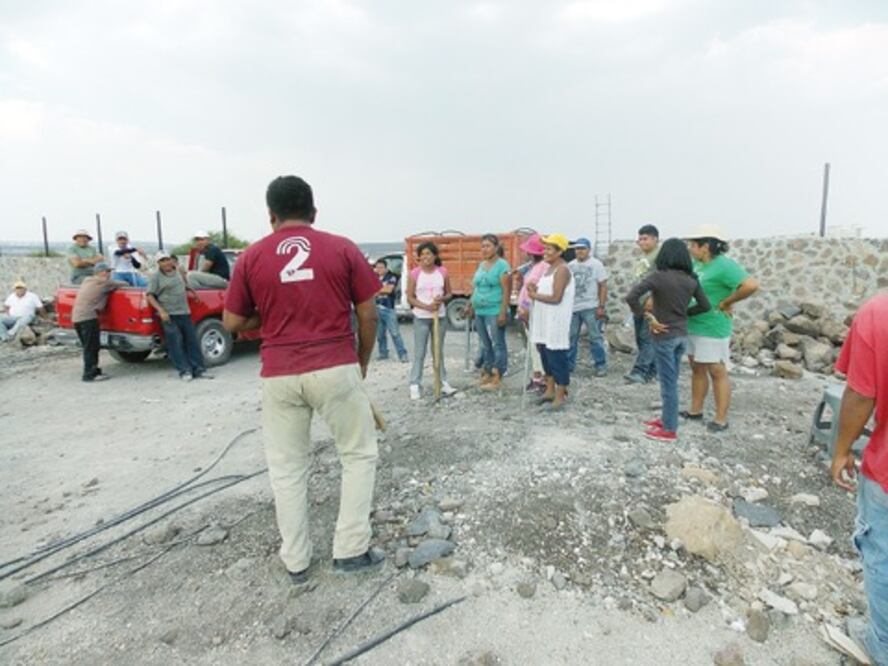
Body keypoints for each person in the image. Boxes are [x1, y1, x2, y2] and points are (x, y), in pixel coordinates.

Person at [223, 175, 384, 581]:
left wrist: (272, 317)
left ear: (271, 215)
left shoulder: (250, 257)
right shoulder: (342, 247)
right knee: (358, 454)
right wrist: (360, 359)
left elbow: (232, 321)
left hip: (279, 372)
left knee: (287, 467)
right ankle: (350, 550)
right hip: (334, 364)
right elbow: (368, 312)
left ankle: (296, 561)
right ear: (314, 212)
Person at [831, 293, 888, 666]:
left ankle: (881, 644)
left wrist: (841, 449)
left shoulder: (879, 312)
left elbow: (861, 393)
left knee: (882, 554)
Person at [625, 238, 711, 442]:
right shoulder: (691, 279)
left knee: (668, 384)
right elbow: (705, 306)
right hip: (681, 335)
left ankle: (670, 429)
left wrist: (647, 316)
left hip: (664, 337)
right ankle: (666, 419)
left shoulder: (658, 277)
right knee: (670, 380)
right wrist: (683, 314)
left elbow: (631, 297)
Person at [684, 225, 758, 432]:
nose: (689, 248)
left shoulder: (724, 266)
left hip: (713, 326)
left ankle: (720, 419)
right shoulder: (696, 264)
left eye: (692, 244)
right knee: (697, 368)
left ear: (705, 246)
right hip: (694, 323)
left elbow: (751, 285)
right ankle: (695, 410)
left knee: (717, 371)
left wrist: (727, 302)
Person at [147, 251, 212, 382]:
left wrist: (194, 292)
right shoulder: (155, 277)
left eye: (167, 259)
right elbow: (149, 295)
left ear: (171, 260)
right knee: (176, 343)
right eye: (162, 260)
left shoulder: (179, 271)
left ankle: (199, 369)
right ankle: (185, 370)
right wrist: (161, 311)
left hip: (184, 312)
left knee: (192, 341)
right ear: (158, 263)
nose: (166, 263)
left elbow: (185, 284)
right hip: (169, 315)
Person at [528, 234, 575, 411]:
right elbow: (544, 293)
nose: (545, 252)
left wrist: (535, 295)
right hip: (543, 318)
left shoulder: (562, 269)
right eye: (545, 248)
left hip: (555, 320)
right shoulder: (548, 269)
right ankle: (549, 390)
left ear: (560, 251)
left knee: (557, 356)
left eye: (549, 248)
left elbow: (556, 297)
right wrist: (534, 291)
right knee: (545, 354)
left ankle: (561, 394)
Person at [406, 242, 458, 400]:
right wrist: (426, 306)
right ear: (419, 257)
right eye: (423, 254)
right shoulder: (415, 274)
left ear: (435, 256)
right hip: (421, 317)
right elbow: (410, 297)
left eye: (429, 253)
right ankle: (415, 383)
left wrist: (441, 299)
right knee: (420, 352)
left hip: (439, 317)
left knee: (438, 351)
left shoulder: (442, 272)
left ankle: (443, 382)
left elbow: (449, 293)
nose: (425, 257)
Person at [466, 234, 511, 391]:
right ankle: (487, 372)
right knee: (485, 344)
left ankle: (498, 374)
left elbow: (506, 291)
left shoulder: (502, 266)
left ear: (496, 247)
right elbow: (476, 288)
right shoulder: (481, 265)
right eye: (482, 246)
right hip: (480, 310)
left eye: (488, 246)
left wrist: (503, 313)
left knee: (498, 343)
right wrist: (470, 305)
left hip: (494, 310)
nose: (484, 249)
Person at [71, 263, 127, 381]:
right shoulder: (104, 283)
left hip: (77, 317)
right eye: (107, 272)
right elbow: (124, 284)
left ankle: (94, 370)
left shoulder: (87, 280)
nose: (109, 274)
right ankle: (89, 374)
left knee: (88, 347)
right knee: (91, 347)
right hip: (88, 317)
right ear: (100, 272)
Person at [568, 237, 609, 377]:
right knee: (571, 337)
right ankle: (569, 365)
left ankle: (600, 364)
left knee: (595, 337)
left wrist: (601, 306)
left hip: (591, 306)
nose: (579, 251)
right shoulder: (570, 266)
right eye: (577, 248)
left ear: (589, 250)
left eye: (582, 248)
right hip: (573, 308)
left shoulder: (596, 264)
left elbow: (603, 285)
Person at [624, 224, 660, 383]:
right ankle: (652, 371)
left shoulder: (659, 256)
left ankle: (639, 371)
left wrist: (654, 298)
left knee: (647, 338)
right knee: (641, 338)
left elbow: (663, 279)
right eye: (639, 239)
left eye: (645, 238)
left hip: (651, 305)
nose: (641, 242)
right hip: (639, 304)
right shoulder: (644, 257)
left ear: (655, 239)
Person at [516, 234, 547, 392]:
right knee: (532, 345)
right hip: (527, 309)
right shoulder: (533, 266)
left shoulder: (542, 267)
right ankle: (537, 376)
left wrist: (526, 308)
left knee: (536, 347)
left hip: (534, 310)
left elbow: (534, 290)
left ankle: (540, 378)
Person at [373, 259, 408, 363]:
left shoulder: (391, 276)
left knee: (395, 333)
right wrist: (380, 289)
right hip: (376, 309)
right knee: (380, 334)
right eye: (377, 267)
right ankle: (383, 353)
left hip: (388, 309)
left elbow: (389, 290)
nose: (379, 270)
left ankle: (403, 354)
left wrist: (375, 291)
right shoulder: (374, 277)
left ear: (386, 268)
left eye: (381, 267)